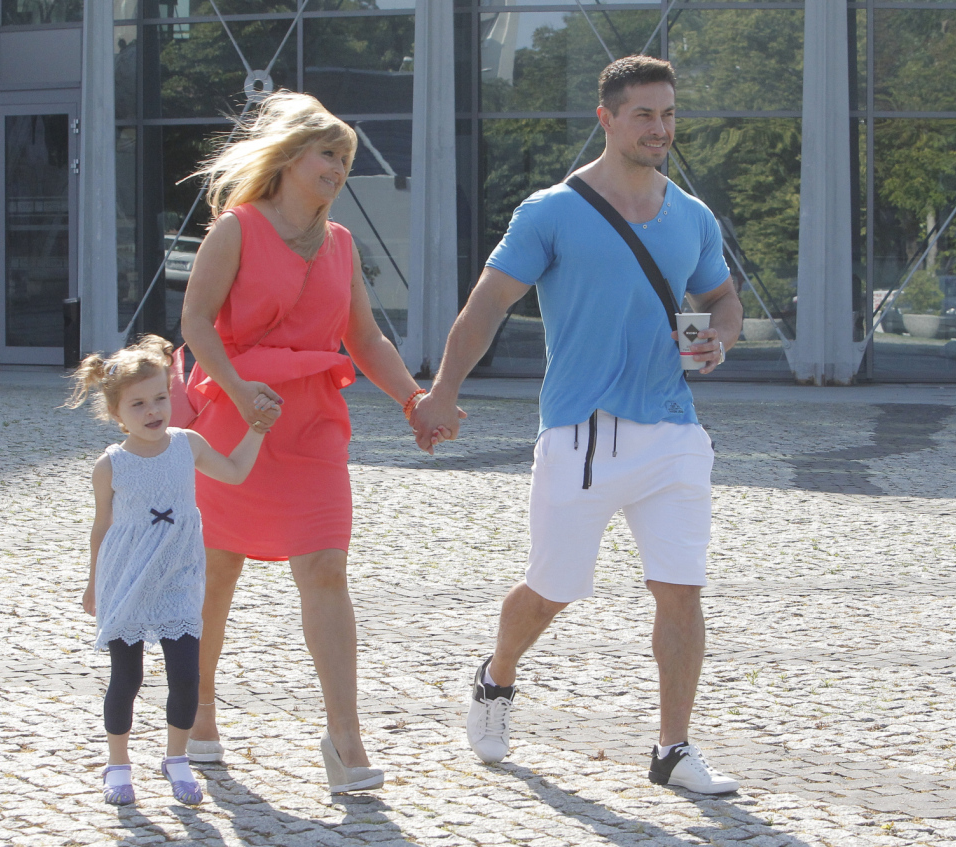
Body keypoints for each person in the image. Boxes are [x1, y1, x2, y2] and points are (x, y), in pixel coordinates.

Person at [410, 56, 744, 794]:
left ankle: (673, 748)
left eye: (668, 114)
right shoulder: (550, 212)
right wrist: (442, 393)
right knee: (550, 590)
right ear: (607, 118)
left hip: (674, 431)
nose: (659, 128)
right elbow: (486, 306)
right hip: (581, 433)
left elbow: (723, 298)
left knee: (681, 589)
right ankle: (497, 676)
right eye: (644, 115)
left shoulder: (692, 216)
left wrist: (720, 336)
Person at [178, 91, 456, 793]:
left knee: (327, 568)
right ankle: (199, 710)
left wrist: (414, 400)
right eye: (329, 154)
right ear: (291, 156)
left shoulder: (341, 243)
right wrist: (238, 389)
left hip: (312, 426)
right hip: (236, 420)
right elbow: (197, 322)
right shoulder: (237, 229)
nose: (338, 169)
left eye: (346, 160)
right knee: (217, 571)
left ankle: (345, 739)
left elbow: (365, 339)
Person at [66, 334, 280, 806]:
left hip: (179, 578)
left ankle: (176, 759)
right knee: (127, 678)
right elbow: (101, 528)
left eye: (160, 398)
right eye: (138, 404)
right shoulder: (110, 465)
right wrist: (93, 584)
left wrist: (257, 429)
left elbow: (234, 471)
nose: (152, 411)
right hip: (127, 579)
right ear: (116, 412)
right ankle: (118, 764)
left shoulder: (188, 445)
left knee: (186, 675)